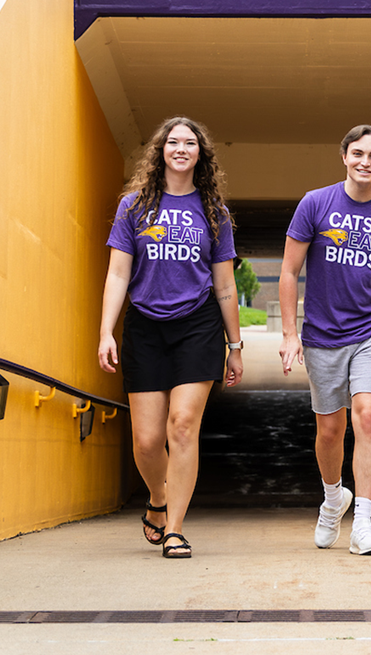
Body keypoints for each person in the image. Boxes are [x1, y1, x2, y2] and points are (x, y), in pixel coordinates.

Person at [97, 116, 245, 559]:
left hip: (198, 325)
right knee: (145, 441)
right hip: (144, 324)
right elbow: (119, 272)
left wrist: (235, 346)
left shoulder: (214, 212)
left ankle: (176, 528)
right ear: (160, 150)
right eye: (173, 142)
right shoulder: (133, 207)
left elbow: (224, 285)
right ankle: (158, 501)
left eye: (190, 143)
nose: (181, 148)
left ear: (201, 154)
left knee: (182, 425)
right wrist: (106, 331)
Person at [279, 125, 371, 556]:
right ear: (344, 156)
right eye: (358, 153)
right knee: (329, 428)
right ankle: (333, 497)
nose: (365, 162)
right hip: (322, 334)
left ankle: (363, 523)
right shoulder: (315, 203)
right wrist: (289, 333)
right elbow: (288, 272)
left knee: (367, 416)